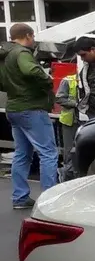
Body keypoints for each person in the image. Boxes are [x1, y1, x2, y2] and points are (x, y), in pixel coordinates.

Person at [0, 23, 58, 210]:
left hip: (14, 108)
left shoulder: (6, 55)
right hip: (31, 108)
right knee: (48, 153)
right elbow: (30, 70)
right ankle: (50, 201)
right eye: (32, 37)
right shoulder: (22, 53)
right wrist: (46, 78)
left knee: (22, 154)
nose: (33, 41)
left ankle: (20, 197)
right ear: (28, 35)